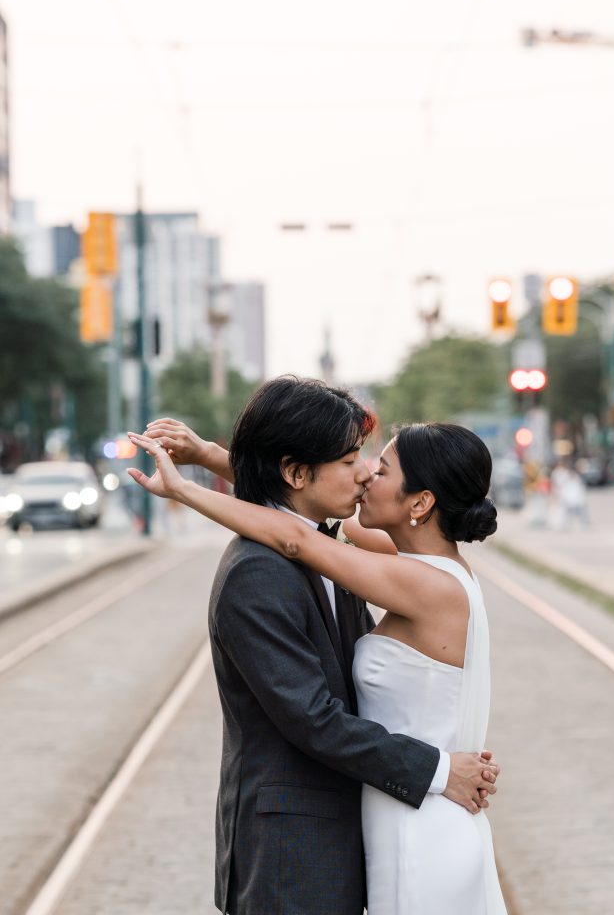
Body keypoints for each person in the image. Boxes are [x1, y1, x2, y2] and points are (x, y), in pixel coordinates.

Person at [128, 378, 505, 915]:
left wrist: (189, 487)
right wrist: (210, 459)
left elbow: (298, 527)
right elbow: (293, 518)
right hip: (308, 848)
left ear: (420, 502)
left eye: (379, 465)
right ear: (297, 471)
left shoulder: (391, 568)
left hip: (413, 820)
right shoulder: (264, 573)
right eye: (353, 459)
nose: (368, 472)